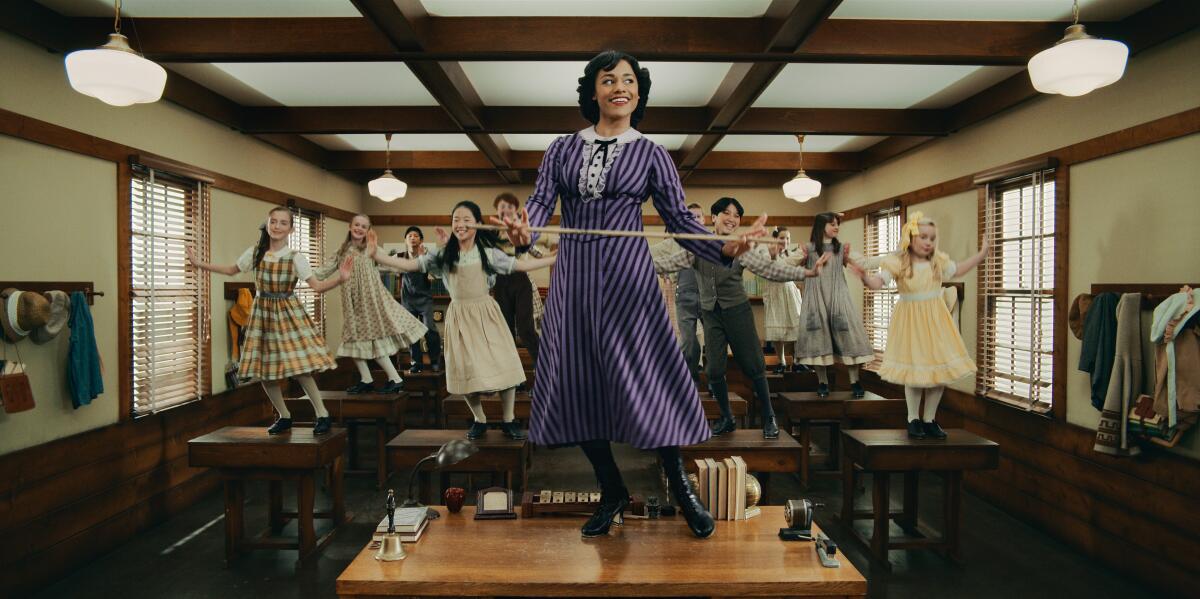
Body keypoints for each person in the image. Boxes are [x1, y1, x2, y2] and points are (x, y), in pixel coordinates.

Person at [494, 50, 763, 539]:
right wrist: (522, 232)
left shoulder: (653, 154)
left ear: (638, 93)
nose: (620, 86)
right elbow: (535, 207)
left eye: (629, 80)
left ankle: (681, 487)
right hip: (573, 281)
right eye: (608, 79)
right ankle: (611, 488)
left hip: (628, 282)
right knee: (577, 386)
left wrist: (724, 245)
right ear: (592, 91)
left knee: (648, 384)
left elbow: (681, 221)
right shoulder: (560, 150)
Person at [371, 201, 556, 440]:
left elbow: (522, 264)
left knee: (507, 365)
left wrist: (553, 259)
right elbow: (409, 264)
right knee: (465, 372)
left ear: (477, 224)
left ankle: (508, 420)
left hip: (487, 313)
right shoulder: (443, 254)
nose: (460, 224)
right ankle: (479, 419)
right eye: (456, 219)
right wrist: (377, 254)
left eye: (467, 219)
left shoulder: (488, 253)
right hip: (459, 317)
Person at [652, 197, 825, 439]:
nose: (732, 219)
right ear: (714, 218)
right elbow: (668, 263)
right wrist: (635, 262)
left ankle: (769, 417)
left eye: (736, 216)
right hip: (711, 313)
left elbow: (772, 270)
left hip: (737, 312)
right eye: (726, 213)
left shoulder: (742, 248)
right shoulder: (697, 247)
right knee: (713, 370)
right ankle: (727, 418)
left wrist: (806, 272)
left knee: (754, 366)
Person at [188, 206, 351, 435]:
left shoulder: (296, 258)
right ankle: (284, 416)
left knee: (301, 368)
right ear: (268, 224)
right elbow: (231, 270)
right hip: (262, 314)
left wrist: (340, 279)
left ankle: (322, 414)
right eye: (273, 221)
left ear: (291, 229)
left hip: (287, 314)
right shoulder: (255, 253)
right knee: (264, 371)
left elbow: (317, 287)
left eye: (283, 223)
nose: (277, 226)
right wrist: (199, 264)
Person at [850, 212, 989, 439]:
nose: (928, 242)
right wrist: (865, 277)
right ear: (910, 237)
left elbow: (959, 269)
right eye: (923, 237)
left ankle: (930, 418)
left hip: (936, 319)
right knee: (915, 371)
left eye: (932, 238)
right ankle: (913, 418)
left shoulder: (937, 261)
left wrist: (981, 255)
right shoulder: (897, 262)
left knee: (938, 371)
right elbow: (878, 283)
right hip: (911, 320)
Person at [320, 215, 427, 395]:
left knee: (371, 340)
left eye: (364, 226)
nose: (359, 228)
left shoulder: (372, 249)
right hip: (351, 303)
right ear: (350, 226)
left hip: (371, 301)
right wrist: (299, 272)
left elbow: (395, 266)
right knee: (352, 339)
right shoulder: (341, 252)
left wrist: (417, 261)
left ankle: (391, 379)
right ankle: (373, 379)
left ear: (368, 230)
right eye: (357, 225)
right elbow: (322, 272)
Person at [794, 212, 875, 398]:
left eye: (837, 223)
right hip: (816, 299)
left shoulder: (841, 250)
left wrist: (894, 257)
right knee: (817, 340)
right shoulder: (808, 249)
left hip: (839, 299)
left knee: (849, 339)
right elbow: (787, 264)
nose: (836, 227)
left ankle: (855, 382)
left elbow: (864, 261)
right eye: (832, 224)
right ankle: (822, 383)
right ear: (821, 226)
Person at [492, 192, 545, 362]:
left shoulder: (523, 230)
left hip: (521, 281)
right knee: (506, 331)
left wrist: (556, 254)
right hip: (501, 282)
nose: (506, 210)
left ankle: (541, 368)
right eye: (502, 207)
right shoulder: (492, 234)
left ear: (515, 210)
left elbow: (538, 254)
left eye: (509, 207)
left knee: (526, 329)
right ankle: (514, 377)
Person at [391, 227, 443, 373]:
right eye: (410, 236)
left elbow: (437, 272)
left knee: (430, 329)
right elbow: (392, 269)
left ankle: (434, 361)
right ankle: (416, 362)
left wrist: (424, 260)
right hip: (407, 300)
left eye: (416, 236)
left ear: (421, 240)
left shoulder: (426, 256)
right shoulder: (398, 256)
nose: (413, 238)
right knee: (411, 331)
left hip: (424, 299)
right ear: (405, 240)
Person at [759, 226, 804, 373]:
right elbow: (767, 271)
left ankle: (797, 361)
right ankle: (781, 361)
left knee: (797, 325)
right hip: (775, 292)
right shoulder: (767, 253)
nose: (785, 241)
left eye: (788, 238)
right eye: (782, 237)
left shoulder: (791, 254)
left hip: (790, 291)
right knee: (777, 328)